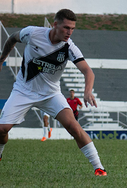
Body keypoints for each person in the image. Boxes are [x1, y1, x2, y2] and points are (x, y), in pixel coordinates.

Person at [0, 9, 107, 176]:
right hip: (23, 91)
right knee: (2, 129)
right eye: (66, 28)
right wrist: (2, 58)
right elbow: (12, 38)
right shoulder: (33, 33)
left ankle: (99, 167)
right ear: (55, 24)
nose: (69, 32)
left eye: (72, 29)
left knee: (74, 127)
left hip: (50, 95)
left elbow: (88, 71)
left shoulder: (69, 47)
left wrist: (88, 91)